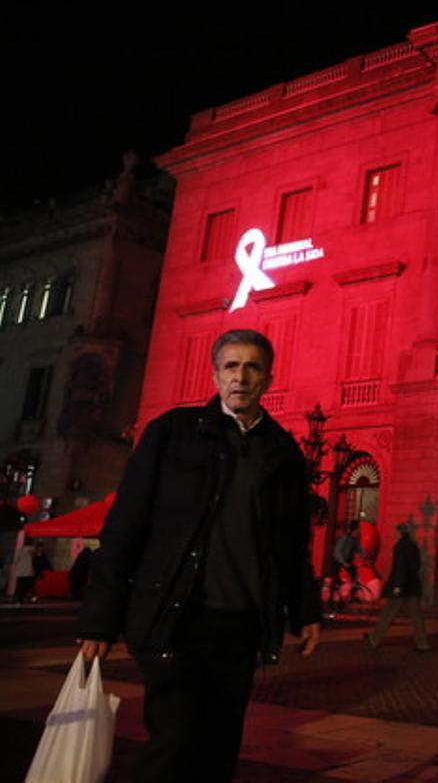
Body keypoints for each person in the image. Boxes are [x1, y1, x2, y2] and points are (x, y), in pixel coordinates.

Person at [76, 329, 321, 783]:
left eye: (252, 367)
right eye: (231, 366)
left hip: (241, 625)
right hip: (175, 615)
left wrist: (305, 608)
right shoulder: (172, 433)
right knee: (174, 741)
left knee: (219, 745)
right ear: (214, 374)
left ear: (268, 378)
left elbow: (290, 543)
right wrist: (100, 618)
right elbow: (125, 525)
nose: (241, 377)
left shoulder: (282, 452)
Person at [365, 523, 430, 651]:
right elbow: (417, 566)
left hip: (401, 586)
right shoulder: (413, 546)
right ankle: (423, 643)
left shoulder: (399, 547)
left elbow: (399, 567)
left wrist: (397, 585)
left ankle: (374, 639)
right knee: (416, 616)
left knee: (388, 613)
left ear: (400, 533)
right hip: (413, 585)